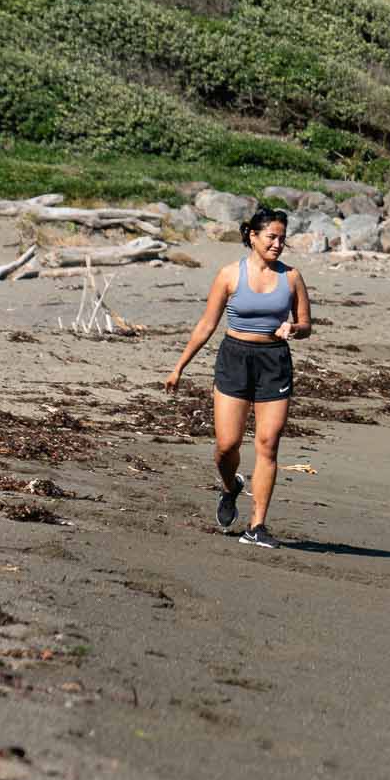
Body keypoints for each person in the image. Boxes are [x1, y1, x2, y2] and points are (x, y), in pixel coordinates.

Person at [166, 207, 312, 547]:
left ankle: (257, 526)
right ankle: (231, 487)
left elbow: (306, 325)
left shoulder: (291, 277)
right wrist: (179, 367)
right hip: (234, 358)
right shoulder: (230, 274)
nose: (278, 244)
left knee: (267, 444)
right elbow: (206, 325)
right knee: (227, 446)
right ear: (253, 236)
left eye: (282, 238)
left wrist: (294, 328)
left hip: (274, 361)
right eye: (271, 237)